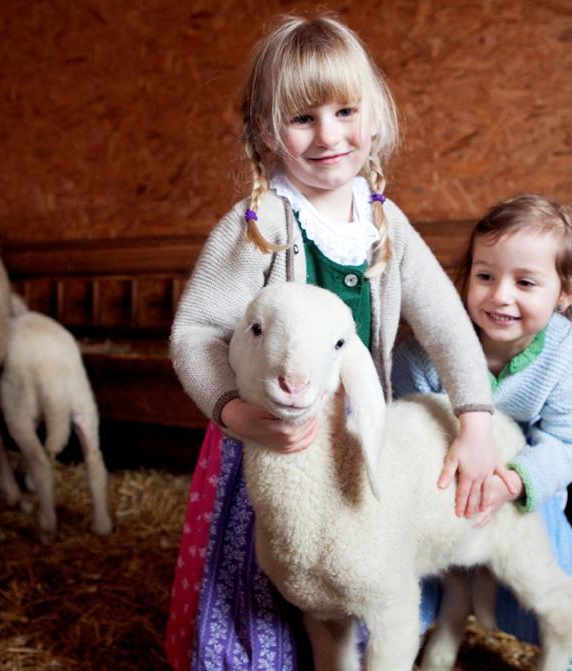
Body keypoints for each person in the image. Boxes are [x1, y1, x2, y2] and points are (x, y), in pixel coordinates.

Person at [165, 15, 506, 670]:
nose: (328, 136)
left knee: (363, 561)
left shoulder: (383, 222)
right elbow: (197, 331)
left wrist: (476, 419)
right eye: (302, 118)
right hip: (269, 440)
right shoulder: (260, 224)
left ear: (372, 118)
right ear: (267, 131)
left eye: (345, 111)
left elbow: (443, 321)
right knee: (271, 574)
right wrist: (236, 412)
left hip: (357, 434)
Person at [391, 193, 572, 669]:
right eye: (486, 276)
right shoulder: (427, 350)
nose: (501, 295)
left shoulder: (568, 359)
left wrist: (516, 481)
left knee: (544, 567)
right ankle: (417, 634)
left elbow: (568, 442)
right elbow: (404, 419)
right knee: (402, 566)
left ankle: (566, 644)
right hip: (439, 490)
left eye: (526, 282)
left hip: (522, 495)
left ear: (566, 292)